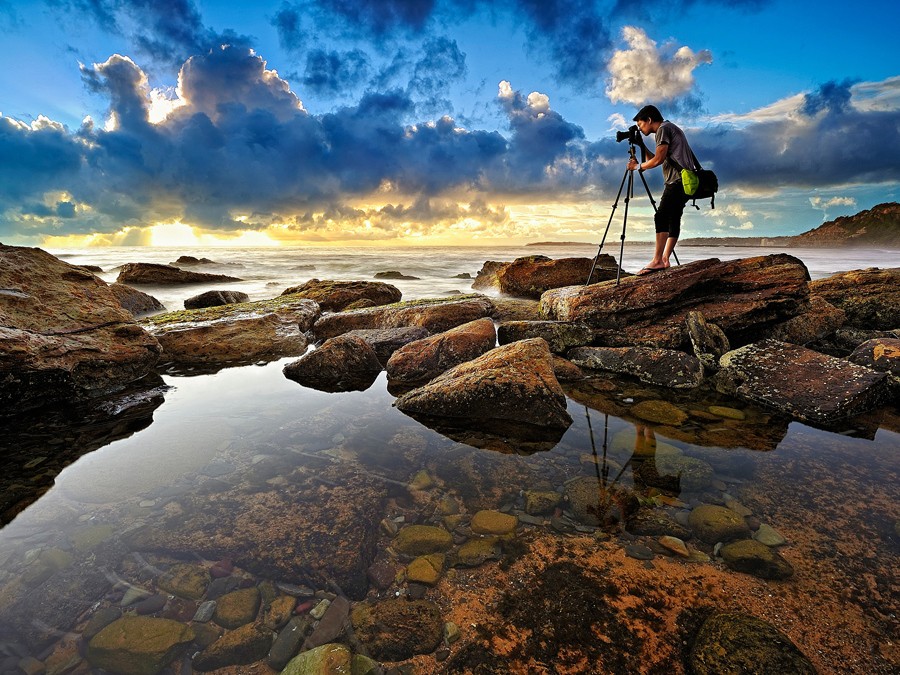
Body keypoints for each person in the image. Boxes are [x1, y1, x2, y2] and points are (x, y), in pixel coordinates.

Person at [626, 105, 697, 274]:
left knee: (662, 216)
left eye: (641, 124)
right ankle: (665, 259)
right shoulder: (670, 127)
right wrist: (641, 146)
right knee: (673, 218)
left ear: (649, 120)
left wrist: (637, 167)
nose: (640, 128)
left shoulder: (663, 129)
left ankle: (657, 260)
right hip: (686, 181)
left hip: (676, 181)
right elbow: (659, 159)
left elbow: (657, 160)